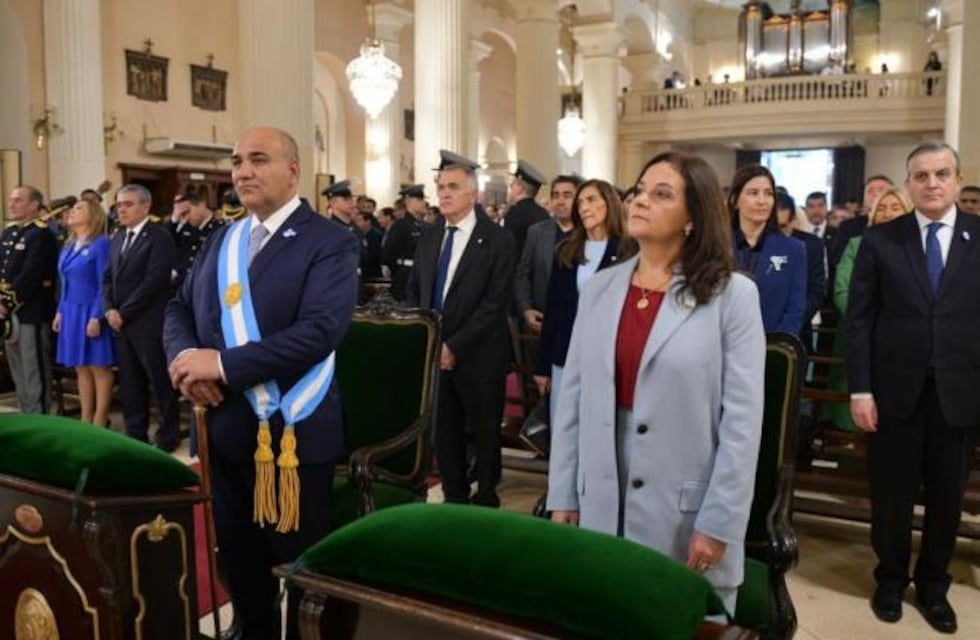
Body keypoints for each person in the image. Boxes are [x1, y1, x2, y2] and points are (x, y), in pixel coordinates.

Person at [547, 151, 765, 613]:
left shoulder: (733, 296)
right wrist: (564, 492)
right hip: (601, 492)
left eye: (662, 194)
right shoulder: (602, 288)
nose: (641, 200)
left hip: (684, 507)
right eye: (640, 190)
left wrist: (720, 521)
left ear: (693, 217)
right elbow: (573, 402)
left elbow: (743, 425)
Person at [164, 127, 359, 639]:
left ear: (293, 170)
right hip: (226, 427)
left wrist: (221, 366)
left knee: (298, 569)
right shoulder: (224, 237)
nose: (243, 171)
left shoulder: (329, 241)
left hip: (294, 432)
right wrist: (186, 360)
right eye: (236, 161)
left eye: (257, 159)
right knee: (240, 559)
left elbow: (320, 331)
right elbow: (179, 306)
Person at [846, 141, 979, 634]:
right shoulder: (882, 239)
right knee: (892, 498)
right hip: (893, 393)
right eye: (920, 176)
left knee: (947, 499)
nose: (931, 183)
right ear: (908, 184)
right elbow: (859, 321)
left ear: (957, 180)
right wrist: (861, 390)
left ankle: (933, 586)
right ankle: (890, 580)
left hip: (960, 394)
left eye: (941, 174)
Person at [405, 149, 517, 507]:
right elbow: (414, 291)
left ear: (473, 193)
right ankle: (453, 501)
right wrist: (427, 341)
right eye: (440, 187)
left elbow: (494, 303)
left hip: (479, 357)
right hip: (434, 358)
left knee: (484, 436)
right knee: (445, 434)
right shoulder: (430, 235)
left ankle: (486, 501)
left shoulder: (498, 240)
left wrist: (454, 346)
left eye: (453, 187)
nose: (444, 194)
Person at [536, 179, 625, 421]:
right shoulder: (567, 250)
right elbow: (553, 310)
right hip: (566, 352)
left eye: (592, 200)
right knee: (564, 426)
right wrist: (543, 366)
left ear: (610, 204)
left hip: (607, 358)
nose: (584, 207)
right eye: (581, 202)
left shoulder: (628, 251)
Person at [825, 186, 913, 432]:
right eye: (882, 208)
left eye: (896, 207)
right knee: (853, 416)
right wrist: (871, 323)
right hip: (859, 336)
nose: (888, 213)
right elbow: (842, 292)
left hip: (903, 343)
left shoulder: (920, 248)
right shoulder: (856, 244)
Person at [102, 184, 180, 451]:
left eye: (128, 204)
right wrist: (109, 308)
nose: (121, 210)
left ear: (145, 206)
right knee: (130, 383)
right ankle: (136, 434)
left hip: (148, 323)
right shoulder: (116, 238)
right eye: (118, 205)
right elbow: (107, 278)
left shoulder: (159, 236)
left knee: (159, 382)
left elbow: (154, 281)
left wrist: (124, 312)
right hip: (120, 323)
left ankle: (168, 435)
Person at [53, 199, 115, 427]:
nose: (72, 211)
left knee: (98, 366)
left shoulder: (101, 243)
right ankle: (85, 417)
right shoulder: (69, 245)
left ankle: (100, 418)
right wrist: (60, 311)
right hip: (70, 310)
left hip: (90, 309)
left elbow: (104, 283)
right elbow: (65, 282)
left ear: (93, 215)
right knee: (81, 367)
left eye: (79, 208)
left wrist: (96, 316)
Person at [728, 165, 806, 334]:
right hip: (721, 345)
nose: (762, 201)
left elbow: (795, 309)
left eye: (768, 194)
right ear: (735, 201)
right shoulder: (716, 245)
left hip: (773, 345)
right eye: (753, 193)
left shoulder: (793, 249)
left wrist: (777, 346)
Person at [1, 185, 59, 413]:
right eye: (11, 200)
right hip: (7, 312)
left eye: (18, 200)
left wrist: (5, 302)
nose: (11, 204)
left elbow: (31, 274)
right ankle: (25, 409)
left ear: (34, 205)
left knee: (34, 367)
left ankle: (39, 415)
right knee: (17, 366)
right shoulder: (9, 232)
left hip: (31, 310)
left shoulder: (41, 234)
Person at [514, 174, 581, 334]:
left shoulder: (587, 233)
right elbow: (522, 274)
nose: (560, 201)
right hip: (542, 322)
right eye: (555, 195)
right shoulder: (537, 232)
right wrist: (526, 309)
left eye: (567, 195)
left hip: (578, 324)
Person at [775, 193, 825, 344]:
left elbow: (816, 291)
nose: (777, 234)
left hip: (797, 333)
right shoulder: (755, 245)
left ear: (793, 221)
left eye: (783, 227)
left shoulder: (811, 245)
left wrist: (790, 323)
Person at [383, 184, 428, 301]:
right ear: (408, 201)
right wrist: (400, 270)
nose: (424, 203)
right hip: (405, 278)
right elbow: (388, 255)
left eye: (424, 199)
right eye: (420, 199)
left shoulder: (424, 226)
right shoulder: (402, 225)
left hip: (422, 276)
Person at [504, 159, 550, 259]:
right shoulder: (543, 213)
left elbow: (508, 249)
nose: (510, 186)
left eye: (513, 183)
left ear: (520, 188)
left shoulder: (515, 214)